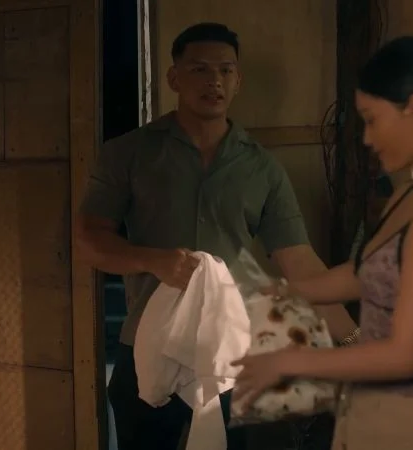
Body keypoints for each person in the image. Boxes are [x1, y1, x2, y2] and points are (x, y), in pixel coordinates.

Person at [74, 22, 359, 450]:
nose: (215, 81)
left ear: (238, 80)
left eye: (225, 70)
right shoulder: (129, 153)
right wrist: (153, 260)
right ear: (174, 78)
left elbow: (300, 263)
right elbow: (89, 240)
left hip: (234, 350)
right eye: (200, 69)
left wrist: (353, 340)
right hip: (151, 344)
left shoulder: (261, 167)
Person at [231, 35, 413, 450]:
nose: (367, 139)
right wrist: (286, 291)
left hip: (410, 426)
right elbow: (362, 276)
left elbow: (403, 355)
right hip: (371, 413)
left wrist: (288, 360)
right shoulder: (410, 194)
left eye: (372, 119)